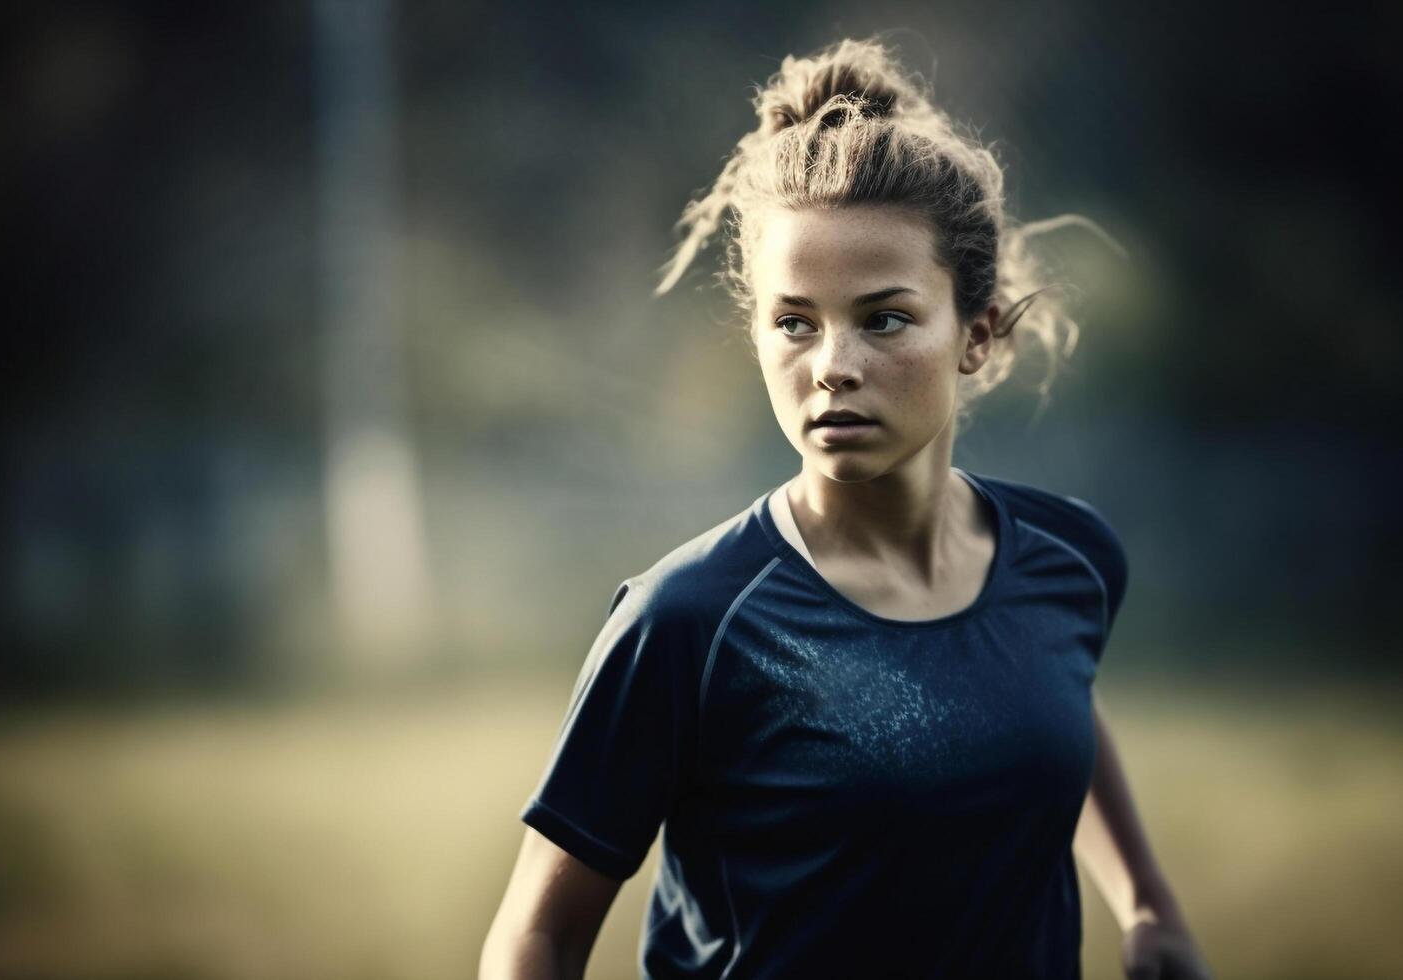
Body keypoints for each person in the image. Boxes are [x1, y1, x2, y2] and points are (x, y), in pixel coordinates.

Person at [479, 36, 1213, 980]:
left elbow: (1043, 704)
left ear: (977, 334)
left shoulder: (1067, 559)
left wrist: (1147, 903)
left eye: (883, 318)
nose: (830, 364)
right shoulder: (691, 621)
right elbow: (535, 934)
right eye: (794, 322)